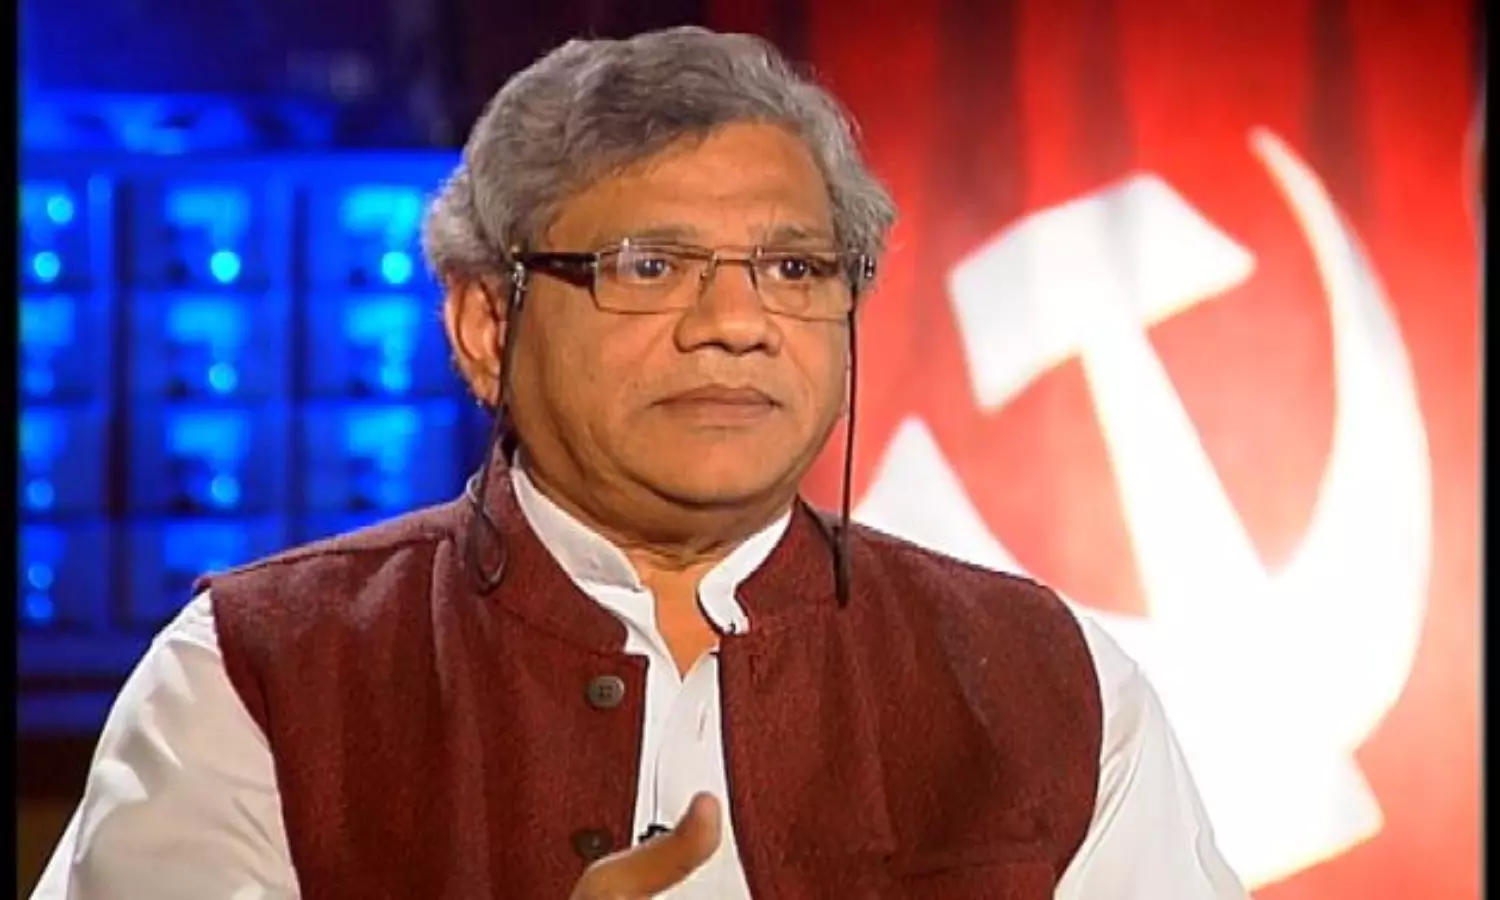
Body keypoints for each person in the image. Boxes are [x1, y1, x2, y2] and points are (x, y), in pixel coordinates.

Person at [33, 26, 1248, 900]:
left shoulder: (1047, 680)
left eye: (794, 268)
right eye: (650, 267)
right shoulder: (252, 674)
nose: (737, 322)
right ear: (487, 326)